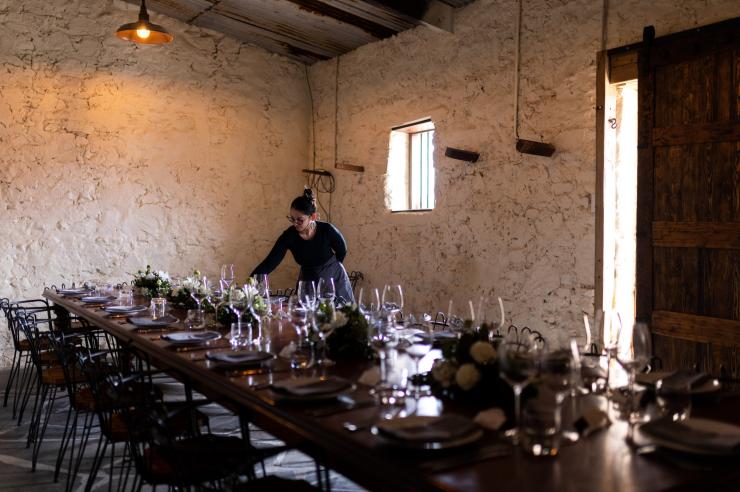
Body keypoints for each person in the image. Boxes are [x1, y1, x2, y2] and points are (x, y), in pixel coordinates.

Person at [250, 188, 355, 303]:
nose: (295, 223)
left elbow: (342, 251)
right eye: (292, 219)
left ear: (312, 217)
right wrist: (250, 282)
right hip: (307, 279)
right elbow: (269, 263)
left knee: (342, 312)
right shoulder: (289, 236)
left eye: (300, 220)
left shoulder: (326, 230)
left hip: (333, 279)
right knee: (306, 312)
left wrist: (331, 270)